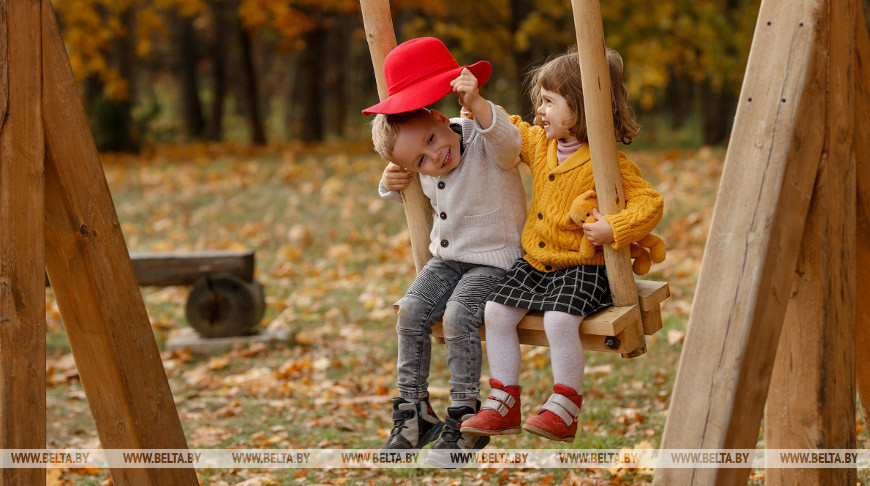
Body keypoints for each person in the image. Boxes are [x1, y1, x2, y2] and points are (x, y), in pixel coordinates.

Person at [460, 48, 664, 443]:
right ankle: (503, 401)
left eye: (550, 101)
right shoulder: (540, 145)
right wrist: (478, 104)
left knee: (558, 320)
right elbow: (510, 129)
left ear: (584, 108)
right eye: (539, 100)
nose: (539, 110)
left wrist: (615, 227)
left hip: (584, 268)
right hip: (536, 263)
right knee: (495, 313)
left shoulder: (608, 162)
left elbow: (649, 203)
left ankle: (564, 407)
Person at [362, 37, 526, 460]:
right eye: (419, 160)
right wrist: (390, 182)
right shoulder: (422, 166)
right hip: (448, 260)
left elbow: (512, 144)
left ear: (440, 116)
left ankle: (465, 416)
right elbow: (421, 194)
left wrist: (481, 103)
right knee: (411, 310)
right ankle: (414, 411)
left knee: (458, 317)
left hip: (496, 262)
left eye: (433, 139)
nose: (435, 157)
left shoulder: (483, 135)